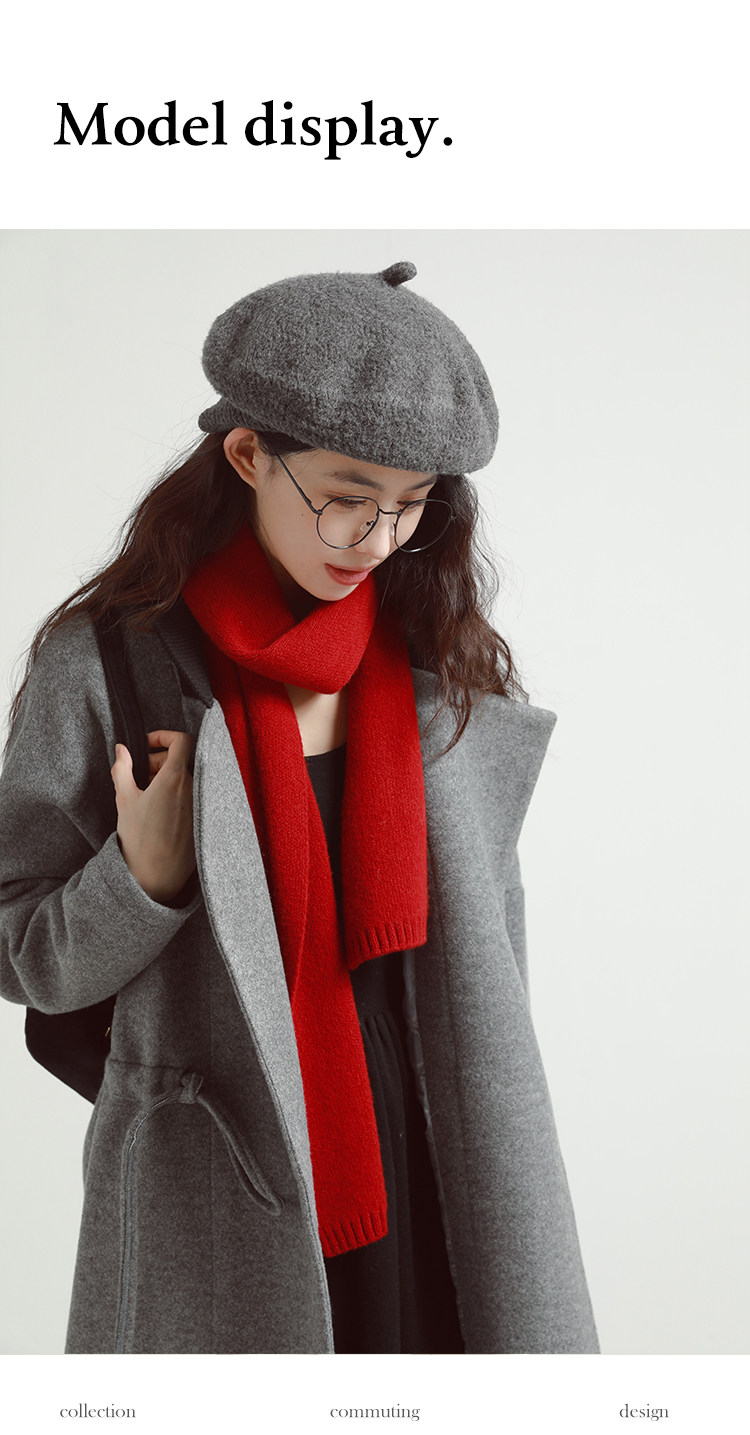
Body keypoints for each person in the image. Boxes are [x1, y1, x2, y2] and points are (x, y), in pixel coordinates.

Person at [0, 260, 599, 1354]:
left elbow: (493, 955)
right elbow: (18, 953)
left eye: (410, 505)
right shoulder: (109, 666)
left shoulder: (433, 658)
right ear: (246, 456)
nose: (375, 541)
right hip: (228, 1178)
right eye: (345, 497)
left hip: (438, 1155)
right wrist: (141, 881)